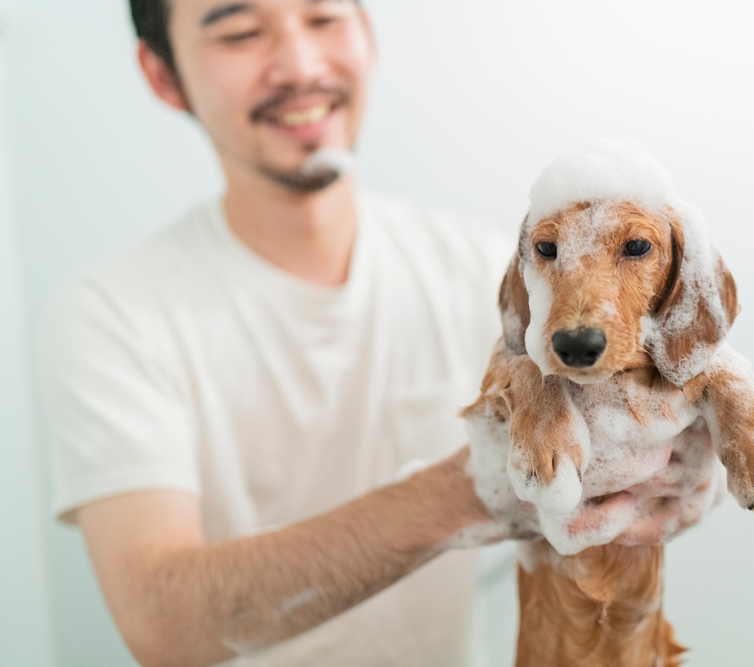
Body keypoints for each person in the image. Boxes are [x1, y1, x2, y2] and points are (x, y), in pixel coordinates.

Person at [42, 1, 719, 666]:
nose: (301, 63)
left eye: (325, 17)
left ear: (366, 31)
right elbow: (163, 621)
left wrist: (676, 463)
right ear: (162, 75)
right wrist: (470, 490)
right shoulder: (114, 312)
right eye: (241, 31)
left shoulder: (484, 275)